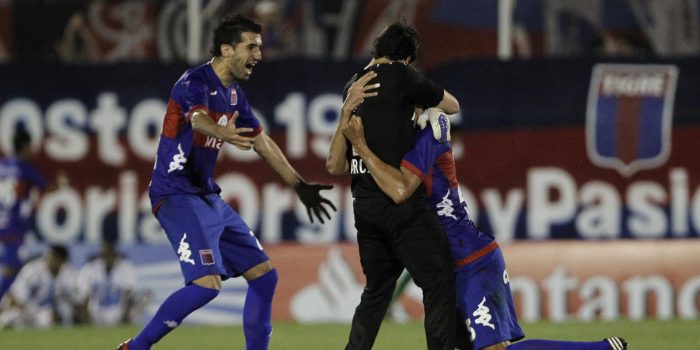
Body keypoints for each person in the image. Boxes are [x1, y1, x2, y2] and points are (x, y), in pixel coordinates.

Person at [118, 13, 336, 350]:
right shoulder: (193, 83)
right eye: (251, 47)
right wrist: (222, 132)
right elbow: (198, 119)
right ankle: (134, 348)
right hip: (175, 193)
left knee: (265, 276)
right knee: (206, 284)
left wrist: (299, 185)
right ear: (226, 48)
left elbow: (262, 142)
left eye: (259, 48)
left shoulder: (234, 95)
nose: (258, 56)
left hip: (207, 197)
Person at [341, 110, 629, 350]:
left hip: (472, 262)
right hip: (452, 269)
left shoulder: (426, 143)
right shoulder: (422, 141)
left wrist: (361, 145)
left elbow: (399, 187)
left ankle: (601, 348)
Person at [326, 21, 460, 350]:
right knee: (439, 278)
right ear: (406, 59)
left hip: (365, 209)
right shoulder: (402, 75)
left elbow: (336, 165)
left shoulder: (352, 87)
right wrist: (423, 105)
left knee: (377, 292)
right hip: (400, 207)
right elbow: (453, 106)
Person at [0, 127, 48, 302]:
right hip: (13, 228)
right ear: (25, 147)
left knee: (13, 268)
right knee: (12, 269)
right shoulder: (26, 169)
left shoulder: (2, 165)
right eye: (30, 146)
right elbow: (45, 187)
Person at [76, 234, 148, 326]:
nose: (107, 256)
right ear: (101, 254)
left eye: (110, 252)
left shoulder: (126, 266)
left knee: (145, 296)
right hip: (96, 311)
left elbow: (129, 292)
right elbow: (84, 293)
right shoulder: (91, 267)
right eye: (105, 253)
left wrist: (124, 314)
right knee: (76, 299)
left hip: (118, 309)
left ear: (115, 253)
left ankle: (128, 326)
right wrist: (87, 316)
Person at [0, 244, 77, 329]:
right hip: (27, 309)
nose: (50, 260)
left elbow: (76, 299)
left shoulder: (69, 273)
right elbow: (15, 295)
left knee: (48, 318)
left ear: (61, 260)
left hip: (52, 313)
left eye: (54, 258)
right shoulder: (32, 269)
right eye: (49, 257)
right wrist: (25, 310)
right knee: (5, 319)